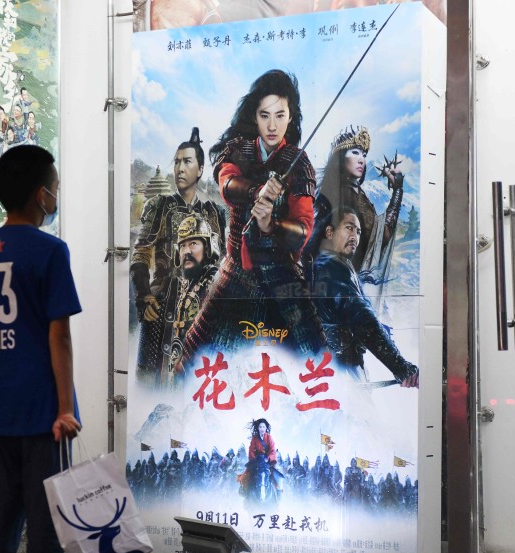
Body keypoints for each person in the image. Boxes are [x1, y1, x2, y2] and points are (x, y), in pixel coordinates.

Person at [0, 145, 91, 553]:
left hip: (1, 410)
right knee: (46, 523)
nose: (57, 195)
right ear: (41, 194)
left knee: (0, 520)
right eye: (56, 187)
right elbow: (57, 336)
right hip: (44, 412)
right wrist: (66, 408)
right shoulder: (48, 251)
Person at [177, 70, 325, 369]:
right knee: (190, 363)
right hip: (235, 273)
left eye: (280, 116)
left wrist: (272, 225)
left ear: (290, 116)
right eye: (264, 115)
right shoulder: (237, 150)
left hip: (282, 277)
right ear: (254, 116)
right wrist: (257, 190)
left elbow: (303, 230)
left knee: (318, 364)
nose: (272, 126)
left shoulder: (299, 163)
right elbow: (227, 183)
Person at [130, 127, 227, 384]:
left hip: (203, 312)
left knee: (200, 380)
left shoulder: (214, 213)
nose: (180, 169)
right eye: (176, 162)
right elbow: (140, 254)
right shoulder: (159, 207)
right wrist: (143, 295)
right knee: (150, 382)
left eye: (187, 161)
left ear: (201, 168)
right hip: (161, 309)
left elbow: (224, 260)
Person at [311, 207, 418, 385]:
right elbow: (363, 320)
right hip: (341, 371)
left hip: (339, 368)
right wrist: (401, 367)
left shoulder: (336, 265)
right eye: (349, 228)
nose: (355, 236)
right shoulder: (332, 268)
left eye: (358, 231)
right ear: (330, 232)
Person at [315, 125, 404, 274]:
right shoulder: (342, 193)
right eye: (355, 152)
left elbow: (379, 234)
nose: (361, 159)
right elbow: (382, 236)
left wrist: (397, 191)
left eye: (364, 154)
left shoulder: (357, 193)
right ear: (341, 158)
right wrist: (397, 191)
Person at [164, 212, 221, 383]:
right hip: (180, 368)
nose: (186, 251)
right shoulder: (184, 284)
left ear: (208, 247)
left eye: (193, 244)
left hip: (206, 372)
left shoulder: (217, 282)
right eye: (182, 246)